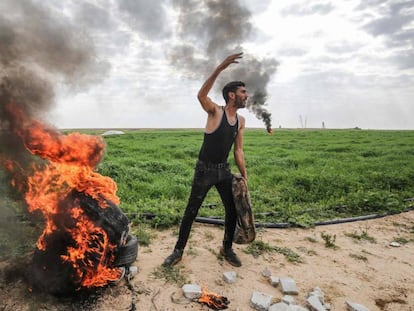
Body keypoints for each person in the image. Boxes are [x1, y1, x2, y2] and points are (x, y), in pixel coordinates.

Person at [163, 52, 248, 268]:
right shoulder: (215, 113)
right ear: (231, 95)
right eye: (242, 92)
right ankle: (178, 251)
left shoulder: (240, 121)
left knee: (231, 211)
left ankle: (227, 248)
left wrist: (244, 177)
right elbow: (201, 96)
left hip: (224, 172)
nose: (246, 96)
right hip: (205, 171)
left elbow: (238, 150)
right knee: (191, 211)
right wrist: (219, 68)